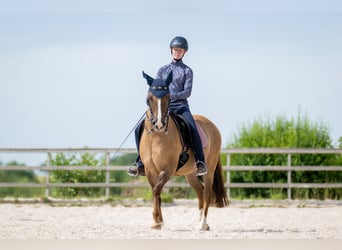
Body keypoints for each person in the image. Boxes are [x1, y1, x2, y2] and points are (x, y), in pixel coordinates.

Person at [128, 36, 207, 177]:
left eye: (180, 50)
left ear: (184, 53)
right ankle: (140, 162)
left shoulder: (187, 71)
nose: (177, 52)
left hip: (181, 106)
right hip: (162, 108)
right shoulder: (162, 70)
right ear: (171, 51)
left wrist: (169, 96)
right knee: (138, 129)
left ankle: (200, 162)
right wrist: (155, 96)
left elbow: (187, 92)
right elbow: (155, 88)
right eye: (175, 50)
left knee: (192, 127)